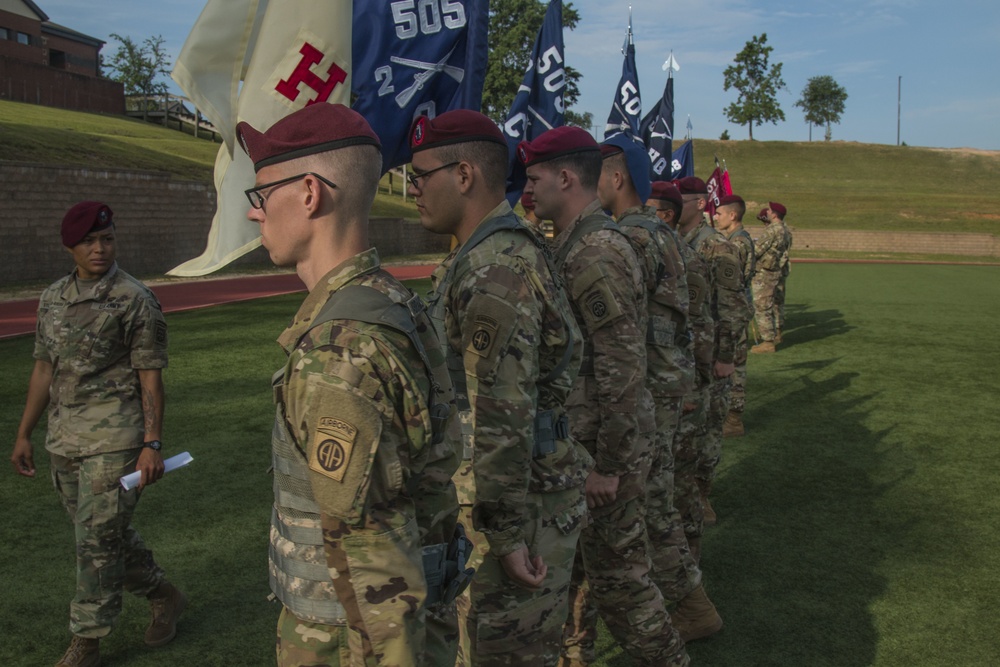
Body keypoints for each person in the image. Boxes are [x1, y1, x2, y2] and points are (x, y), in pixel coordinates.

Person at [238, 103, 461, 666]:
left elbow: (371, 559)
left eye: (260, 196)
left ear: (309, 193)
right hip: (414, 616)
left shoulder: (338, 350)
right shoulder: (394, 302)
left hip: (345, 641)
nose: (254, 215)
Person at [407, 109, 588, 667]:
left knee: (502, 652)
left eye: (420, 176)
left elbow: (500, 419)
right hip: (508, 497)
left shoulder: (495, 270)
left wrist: (506, 538)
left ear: (464, 176)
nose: (412, 189)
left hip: (515, 506)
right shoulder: (482, 257)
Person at [521, 127, 689, 667]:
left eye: (534, 177)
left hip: (603, 452)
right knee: (577, 575)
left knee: (623, 585)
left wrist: (611, 467)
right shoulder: (577, 242)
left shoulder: (595, 250)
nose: (527, 190)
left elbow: (621, 364)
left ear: (566, 177)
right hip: (585, 446)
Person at [11, 201, 184, 667]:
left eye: (107, 239)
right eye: (89, 240)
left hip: (119, 438)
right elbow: (44, 369)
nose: (100, 248)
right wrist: (24, 433)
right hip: (65, 439)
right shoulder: (52, 298)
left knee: (94, 541)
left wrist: (152, 444)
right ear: (70, 246)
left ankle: (86, 641)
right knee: (104, 537)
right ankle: (164, 593)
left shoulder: (134, 299)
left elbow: (150, 376)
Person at [599, 138, 722, 643]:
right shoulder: (660, 233)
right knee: (658, 495)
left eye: (596, 174)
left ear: (617, 178)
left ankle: (691, 604)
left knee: (648, 501)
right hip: (668, 382)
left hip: (648, 383)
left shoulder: (632, 237)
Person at [647, 181, 723, 639]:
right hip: (665, 390)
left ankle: (688, 577)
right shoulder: (664, 253)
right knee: (668, 491)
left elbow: (701, 322)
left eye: (652, 210)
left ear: (670, 215)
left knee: (672, 493)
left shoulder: (685, 259)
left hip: (678, 392)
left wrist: (698, 387)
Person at [673, 178, 749, 532]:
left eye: (682, 199)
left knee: (708, 430)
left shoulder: (716, 246)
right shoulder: (674, 242)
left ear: (701, 204)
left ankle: (702, 493)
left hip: (712, 356)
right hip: (684, 355)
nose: (674, 205)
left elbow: (733, 307)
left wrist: (725, 356)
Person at [712, 195, 756, 438]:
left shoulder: (737, 243)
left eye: (719, 213)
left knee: (736, 365)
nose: (716, 217)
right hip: (735, 308)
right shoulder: (736, 239)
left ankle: (734, 419)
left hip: (734, 311)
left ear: (733, 215)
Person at [751, 201, 792, 353]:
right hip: (775, 270)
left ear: (774, 214)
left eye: (768, 210)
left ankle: (767, 342)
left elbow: (757, 250)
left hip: (764, 272)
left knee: (762, 306)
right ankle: (777, 333)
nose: (767, 212)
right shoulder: (785, 230)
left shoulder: (772, 230)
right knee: (773, 303)